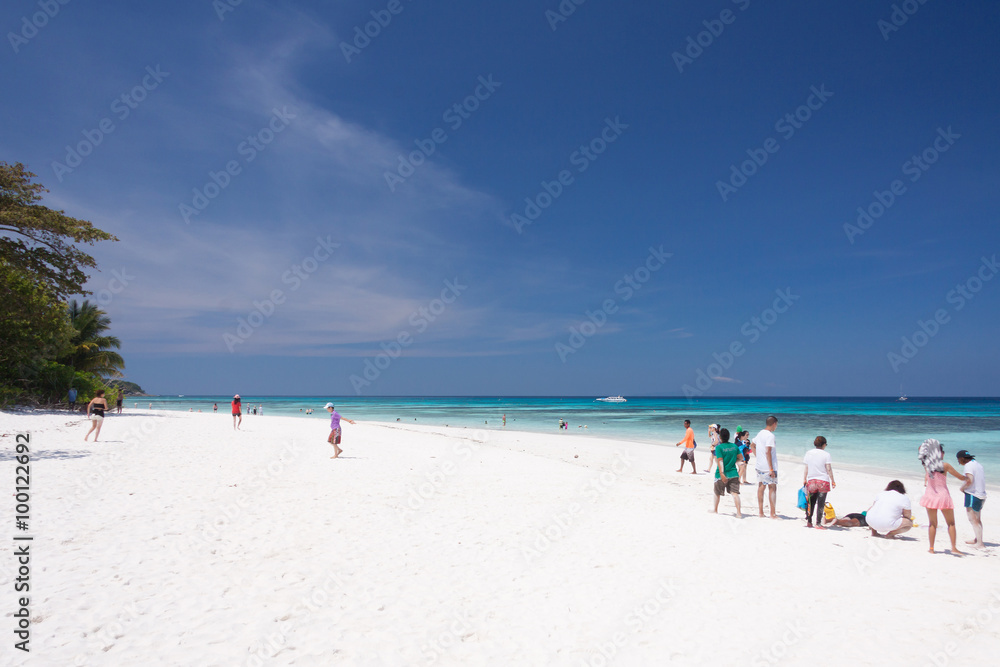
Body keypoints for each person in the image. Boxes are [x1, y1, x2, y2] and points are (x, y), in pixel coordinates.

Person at [918, 438, 963, 555]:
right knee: (951, 523)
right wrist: (969, 479)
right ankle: (953, 548)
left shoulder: (927, 465)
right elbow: (960, 477)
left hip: (930, 497)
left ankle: (931, 548)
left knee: (932, 524)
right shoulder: (945, 466)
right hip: (943, 497)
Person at [802, 436, 836, 529]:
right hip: (823, 481)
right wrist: (832, 480)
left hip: (812, 480)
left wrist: (805, 478)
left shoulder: (808, 453)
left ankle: (809, 522)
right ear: (824, 444)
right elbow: (828, 468)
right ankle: (818, 523)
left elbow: (806, 467)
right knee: (821, 503)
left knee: (811, 502)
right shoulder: (826, 454)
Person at [956, 450, 986, 549]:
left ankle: (980, 544)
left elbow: (969, 480)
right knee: (977, 519)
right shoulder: (978, 464)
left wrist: (962, 488)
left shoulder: (968, 466)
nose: (959, 462)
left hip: (973, 494)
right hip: (981, 494)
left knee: (972, 519)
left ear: (962, 459)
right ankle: (978, 539)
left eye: (958, 460)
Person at [752, 416, 779, 518]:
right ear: (774, 424)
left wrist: (758, 456)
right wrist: (771, 468)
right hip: (769, 467)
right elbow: (768, 451)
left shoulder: (760, 433)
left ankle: (761, 512)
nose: (776, 427)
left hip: (760, 465)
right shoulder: (770, 436)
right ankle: (772, 513)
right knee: (772, 488)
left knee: (761, 487)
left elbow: (752, 445)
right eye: (776, 425)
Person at [712, 428, 742, 517]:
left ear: (720, 437)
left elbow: (720, 461)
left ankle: (715, 510)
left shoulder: (719, 447)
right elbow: (741, 458)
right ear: (728, 437)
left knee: (717, 493)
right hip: (733, 473)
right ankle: (739, 513)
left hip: (721, 474)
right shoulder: (734, 446)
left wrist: (722, 474)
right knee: (735, 493)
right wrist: (733, 461)